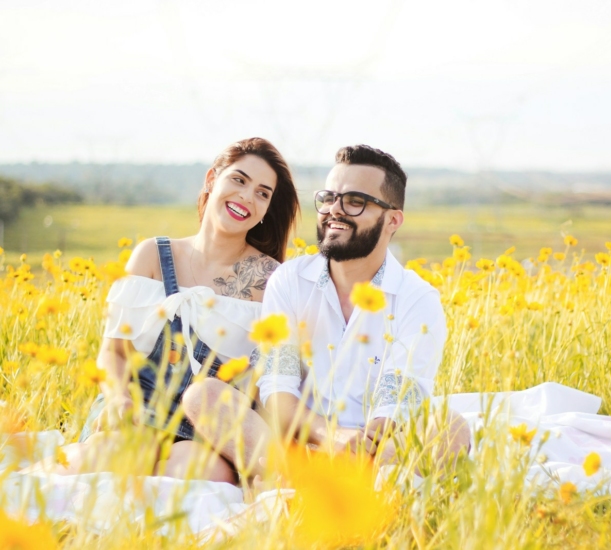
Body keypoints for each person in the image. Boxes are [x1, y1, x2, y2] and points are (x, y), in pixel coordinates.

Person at [23, 137, 300, 483]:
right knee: (120, 455)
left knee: (195, 473)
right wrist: (117, 398)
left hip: (206, 427)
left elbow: (266, 382)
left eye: (262, 193)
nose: (247, 196)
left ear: (267, 209)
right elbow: (114, 353)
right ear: (212, 179)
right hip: (135, 407)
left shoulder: (271, 280)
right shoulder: (153, 255)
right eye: (239, 180)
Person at [183, 144, 470, 472]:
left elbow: (400, 398)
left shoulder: (417, 298)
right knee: (203, 396)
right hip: (300, 446)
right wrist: (328, 436)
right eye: (329, 198)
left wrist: (360, 447)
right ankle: (301, 485)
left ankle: (364, 494)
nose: (335, 209)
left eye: (355, 201)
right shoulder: (289, 281)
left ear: (392, 220)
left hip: (377, 451)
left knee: (451, 425)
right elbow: (278, 386)